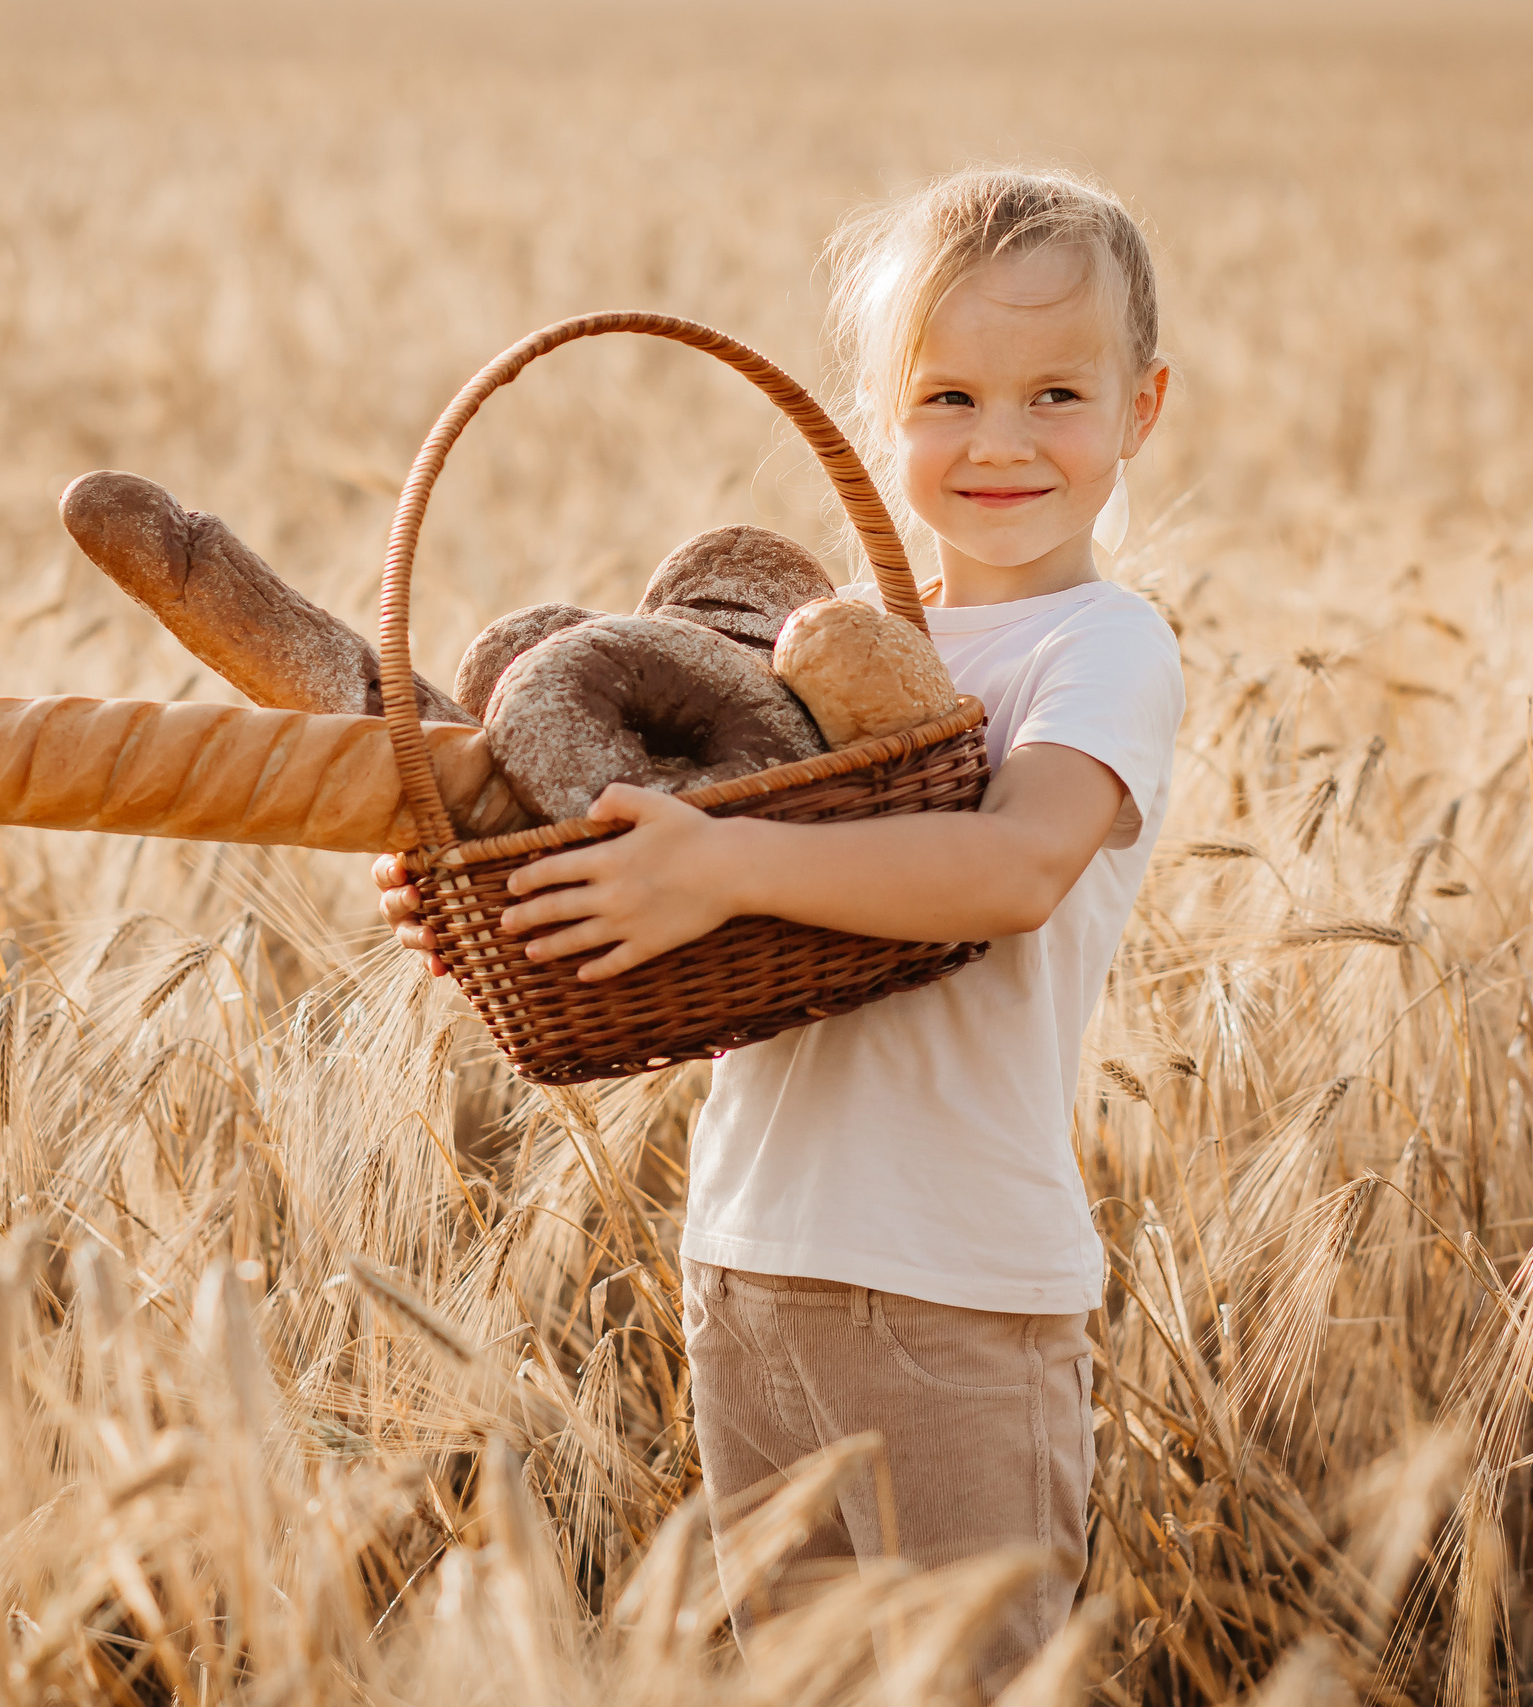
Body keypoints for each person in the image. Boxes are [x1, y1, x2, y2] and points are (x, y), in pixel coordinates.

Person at [376, 167, 1184, 1687]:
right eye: (946, 395)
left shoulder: (1104, 647)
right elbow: (721, 908)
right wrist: (539, 900)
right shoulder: (819, 658)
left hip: (960, 1285)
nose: (999, 441)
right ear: (876, 419)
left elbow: (1014, 866)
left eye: (1055, 394)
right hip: (751, 1260)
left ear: (1141, 411)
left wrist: (724, 869)